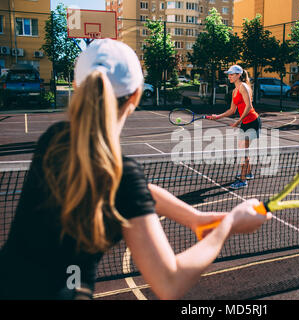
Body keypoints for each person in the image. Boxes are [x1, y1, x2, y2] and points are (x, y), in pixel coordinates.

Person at [0, 40, 271, 300]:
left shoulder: (54, 140)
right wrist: (229, 225)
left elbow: (127, 188)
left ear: (76, 86)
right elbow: (169, 282)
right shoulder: (123, 176)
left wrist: (195, 218)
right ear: (136, 95)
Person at [210, 65, 262, 190]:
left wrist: (238, 121)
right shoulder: (234, 91)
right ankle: (248, 173)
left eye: (232, 74)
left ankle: (243, 180)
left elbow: (249, 106)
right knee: (243, 149)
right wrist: (218, 116)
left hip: (252, 121)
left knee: (243, 151)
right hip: (245, 122)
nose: (229, 76)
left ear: (239, 75)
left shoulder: (244, 87)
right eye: (229, 74)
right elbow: (232, 110)